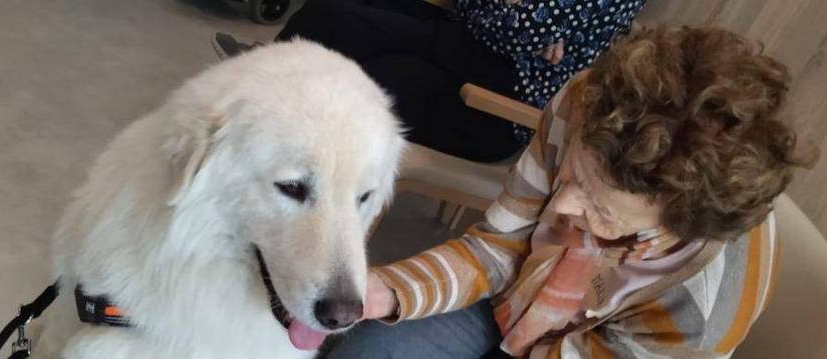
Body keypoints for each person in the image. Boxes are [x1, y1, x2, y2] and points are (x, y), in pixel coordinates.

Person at [142, 26, 816, 359]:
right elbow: (501, 246)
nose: (566, 207)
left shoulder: (702, 308)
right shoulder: (589, 105)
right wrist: (389, 291)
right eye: (573, 176)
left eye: (602, 212)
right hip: (520, 303)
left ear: (674, 223)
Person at [212, 0, 646, 162]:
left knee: (373, 76)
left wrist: (515, 18)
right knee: (335, 15)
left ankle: (264, 130)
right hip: (465, 43)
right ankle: (258, 86)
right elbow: (515, 25)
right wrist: (513, 14)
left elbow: (518, 30)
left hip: (498, 105)